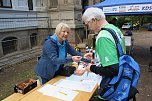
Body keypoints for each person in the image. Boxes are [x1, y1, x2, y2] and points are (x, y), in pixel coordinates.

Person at [82, 7, 126, 100]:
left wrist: (91, 68)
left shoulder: (103, 36)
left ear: (94, 20)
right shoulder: (114, 29)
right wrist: (95, 55)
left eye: (87, 24)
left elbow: (112, 69)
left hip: (111, 85)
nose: (88, 28)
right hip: (121, 78)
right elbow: (116, 51)